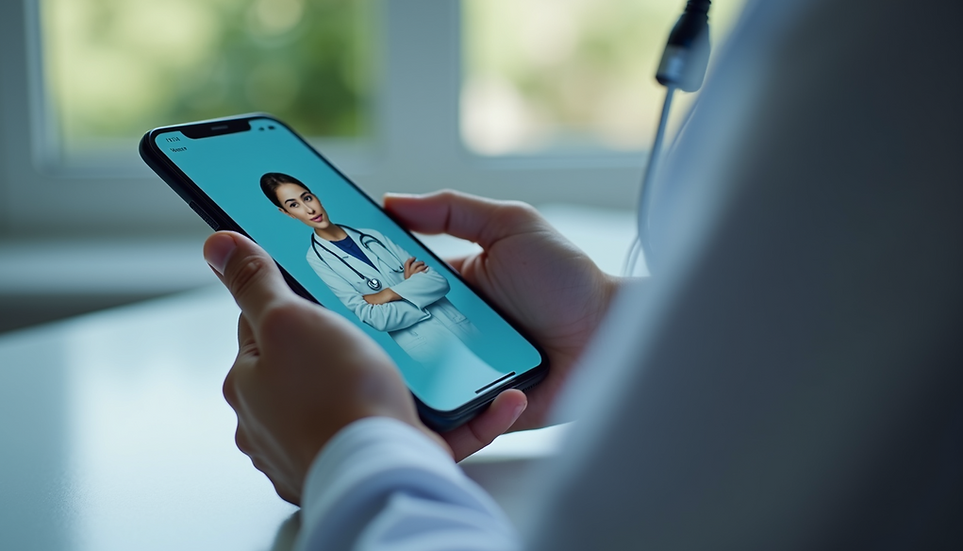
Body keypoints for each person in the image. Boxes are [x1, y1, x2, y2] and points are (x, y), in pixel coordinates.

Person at [202, 0, 962, 548]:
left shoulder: (893, 35)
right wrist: (603, 325)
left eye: (306, 194)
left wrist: (353, 448)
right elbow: (884, 326)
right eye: (293, 203)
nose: (305, 205)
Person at [259, 172, 478, 363]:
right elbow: (376, 318)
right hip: (427, 348)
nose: (308, 209)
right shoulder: (318, 259)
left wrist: (388, 294)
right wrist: (414, 287)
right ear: (286, 213)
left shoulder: (373, 236)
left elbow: (439, 282)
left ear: (315, 196)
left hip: (463, 330)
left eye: (307, 198)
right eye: (294, 205)